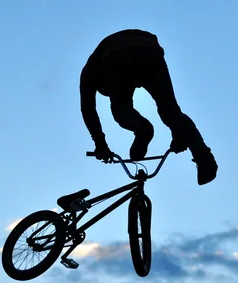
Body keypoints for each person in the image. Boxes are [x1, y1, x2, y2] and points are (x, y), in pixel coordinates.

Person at [79, 29, 218, 185]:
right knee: (170, 111)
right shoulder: (95, 69)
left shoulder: (89, 73)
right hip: (150, 51)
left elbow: (88, 109)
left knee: (120, 109)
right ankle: (204, 158)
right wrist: (178, 133)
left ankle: (143, 130)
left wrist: (100, 145)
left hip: (118, 54)